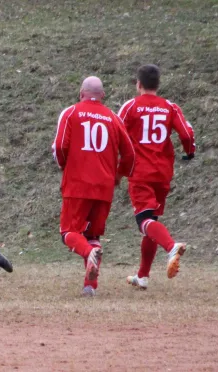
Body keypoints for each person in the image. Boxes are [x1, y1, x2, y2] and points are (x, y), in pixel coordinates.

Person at [52, 76, 135, 296]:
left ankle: (89, 254)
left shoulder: (70, 113)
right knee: (93, 236)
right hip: (104, 186)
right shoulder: (113, 118)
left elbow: (60, 146)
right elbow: (129, 154)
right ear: (103, 96)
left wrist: (64, 165)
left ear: (81, 93)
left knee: (68, 231)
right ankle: (90, 286)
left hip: (77, 183)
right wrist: (118, 175)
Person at [117, 64, 196, 290]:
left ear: (138, 84)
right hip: (162, 173)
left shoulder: (131, 106)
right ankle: (142, 276)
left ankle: (171, 246)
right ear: (158, 85)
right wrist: (189, 152)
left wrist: (116, 166)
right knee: (152, 222)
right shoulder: (170, 107)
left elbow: (115, 132)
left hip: (140, 171)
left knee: (143, 222)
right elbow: (186, 133)